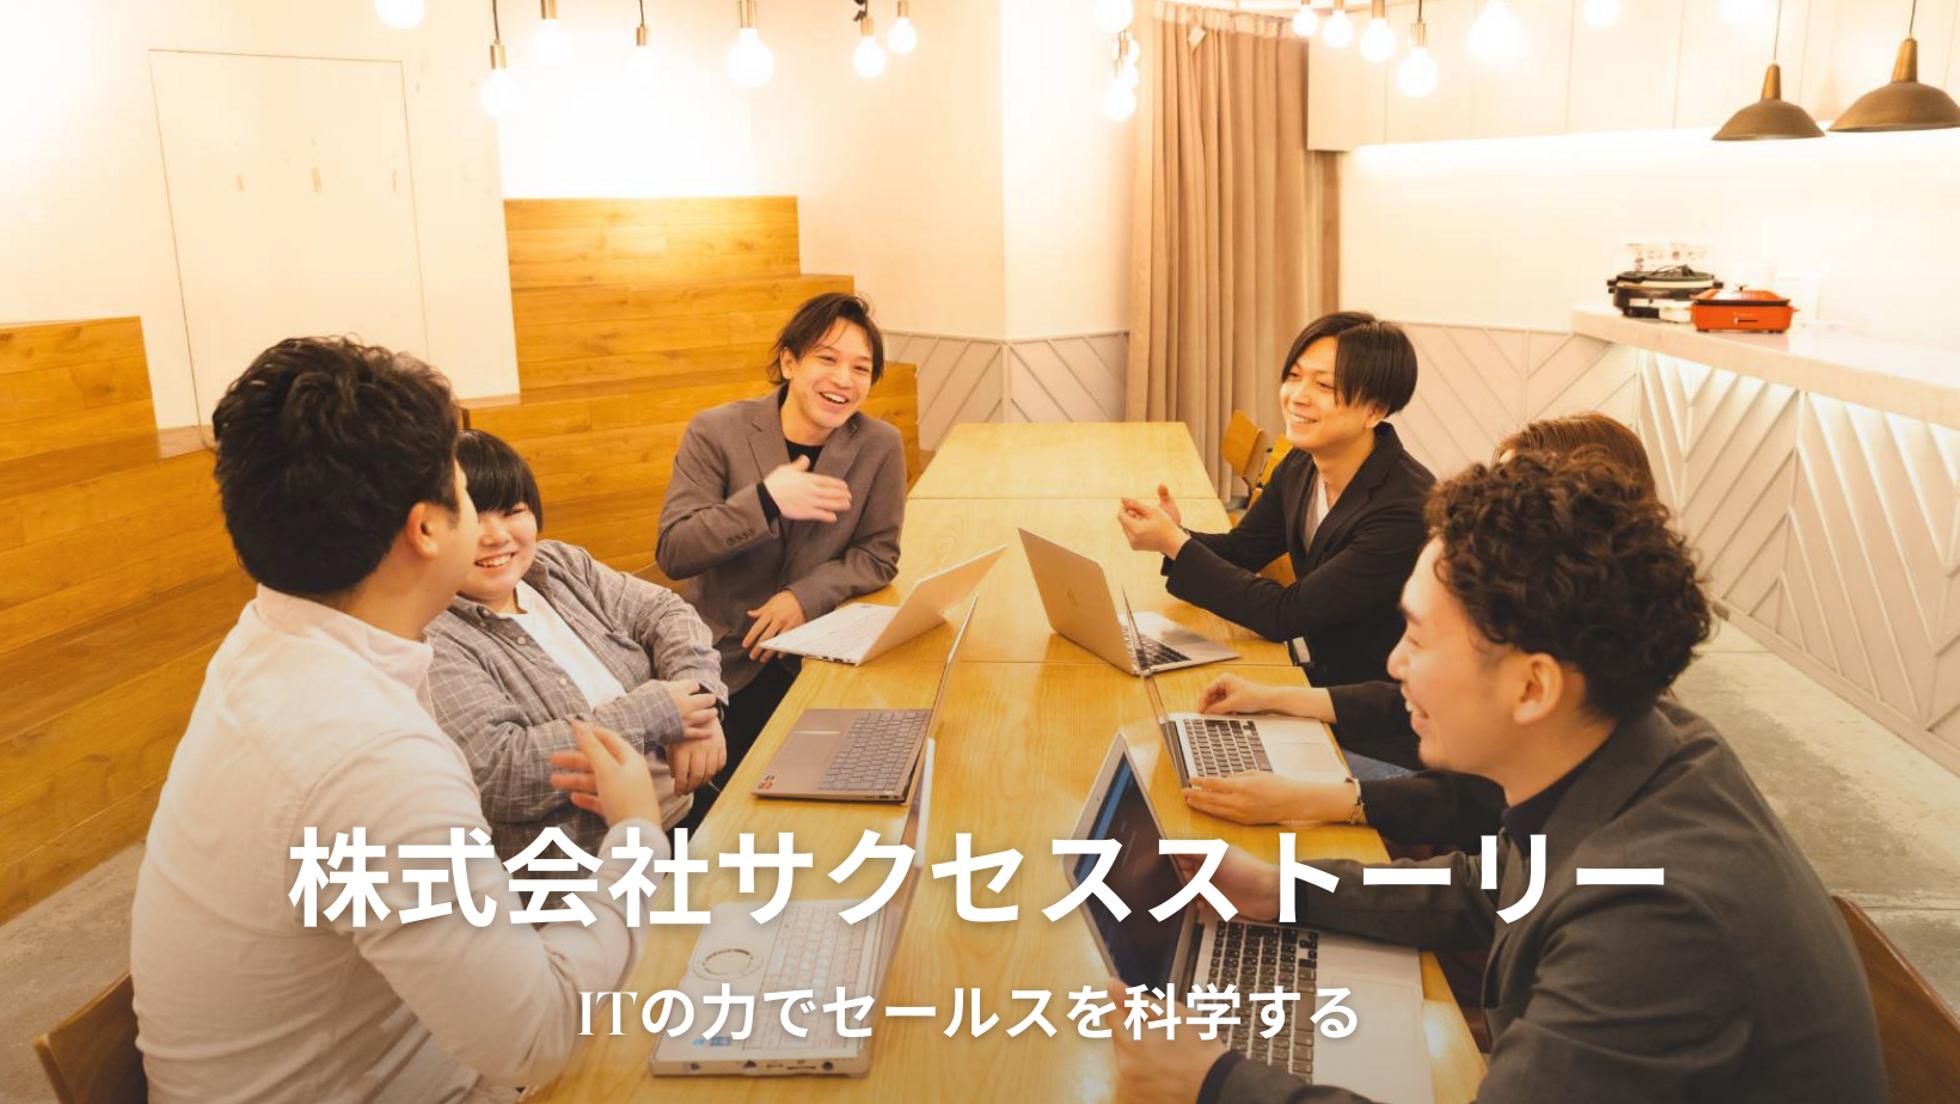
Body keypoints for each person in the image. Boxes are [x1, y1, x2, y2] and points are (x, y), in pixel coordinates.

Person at [1109, 453, 1886, 1103]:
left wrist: (1214, 1081)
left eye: (1418, 638)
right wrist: (1283, 889)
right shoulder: (1647, 746)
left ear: (1532, 686)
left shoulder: (1653, 926)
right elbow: (1495, 886)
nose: (1395, 663)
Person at [130, 338, 667, 1103]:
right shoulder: (373, 754)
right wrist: (638, 834)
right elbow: (533, 1039)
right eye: (464, 486)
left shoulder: (268, 638)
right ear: (426, 529)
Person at [1181, 412, 1657, 849]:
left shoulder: (1581, 667)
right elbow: (1409, 697)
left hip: (1444, 813)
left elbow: (1475, 805)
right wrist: (1275, 697)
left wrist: (1313, 799)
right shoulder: (1530, 608)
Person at [425, 429, 728, 861]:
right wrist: (660, 713)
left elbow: (668, 613)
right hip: (592, 871)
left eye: (513, 511)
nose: (496, 536)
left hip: (690, 816)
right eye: (471, 518)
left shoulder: (560, 566)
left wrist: (698, 707)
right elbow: (501, 771)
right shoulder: (433, 634)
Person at [656, 292, 906, 801]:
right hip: (724, 658)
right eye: (827, 359)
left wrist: (803, 596)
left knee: (853, 782)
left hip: (820, 651)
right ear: (789, 362)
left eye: (861, 368)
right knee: (722, 807)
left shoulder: (880, 444)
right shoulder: (716, 431)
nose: (844, 379)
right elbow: (675, 551)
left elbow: (878, 553)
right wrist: (766, 501)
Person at [1118, 312, 1430, 688]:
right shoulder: (1302, 463)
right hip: (1312, 675)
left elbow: (1285, 615)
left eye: (1324, 385)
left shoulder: (1404, 510)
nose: (1297, 396)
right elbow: (1242, 550)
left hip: (1371, 703)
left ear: (1374, 410)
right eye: (1294, 376)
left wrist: (1174, 543)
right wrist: (1172, 533)